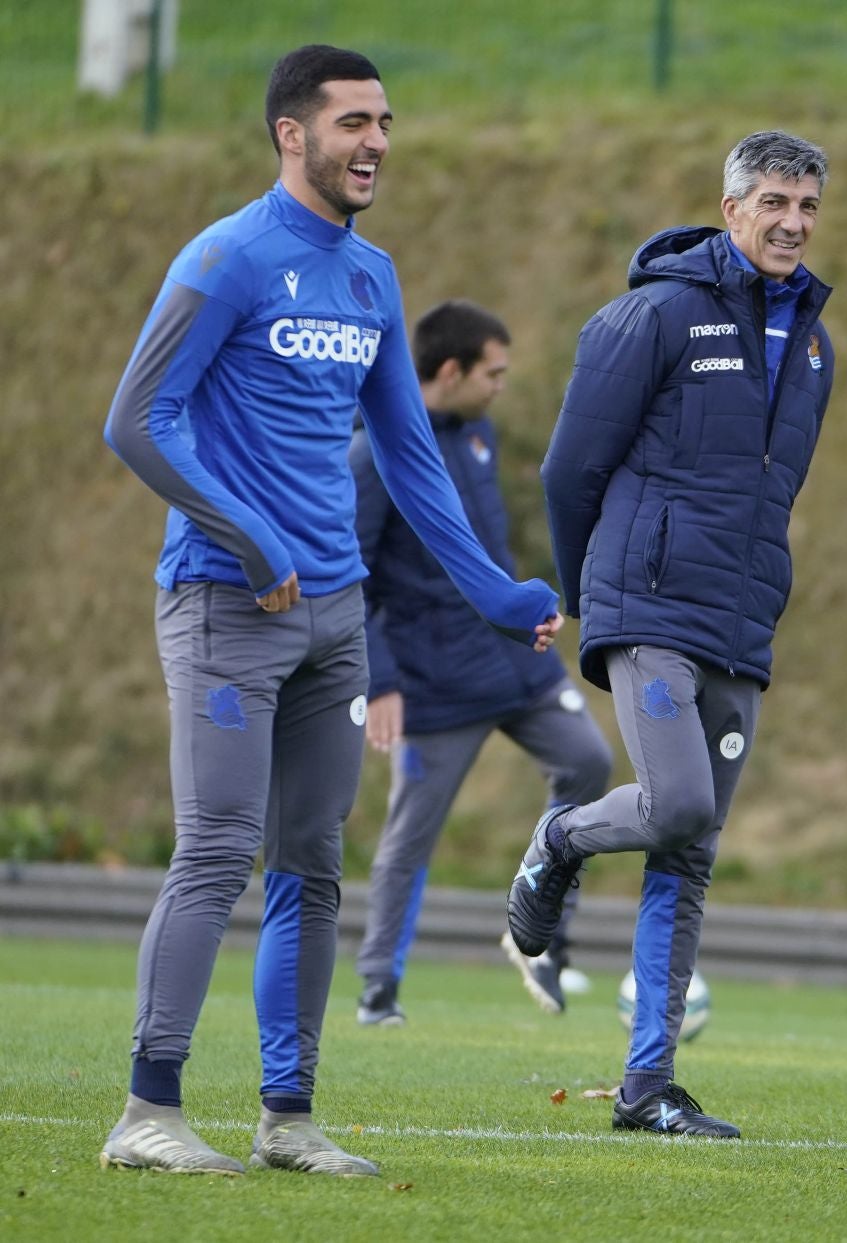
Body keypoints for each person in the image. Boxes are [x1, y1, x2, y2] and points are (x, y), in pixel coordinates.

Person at [100, 45, 562, 1179]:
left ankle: (288, 1116)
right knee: (216, 850)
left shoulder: (372, 277)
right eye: (354, 122)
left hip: (335, 621)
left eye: (386, 121)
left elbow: (412, 457)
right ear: (290, 135)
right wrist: (249, 539)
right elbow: (138, 421)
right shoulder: (228, 256)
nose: (378, 143)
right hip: (225, 602)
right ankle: (147, 1111)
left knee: (311, 862)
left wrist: (496, 594)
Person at [506, 131, 833, 1138]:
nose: (792, 221)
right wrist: (589, 592)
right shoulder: (652, 316)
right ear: (730, 208)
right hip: (645, 606)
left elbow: (774, 491)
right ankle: (557, 843)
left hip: (740, 621)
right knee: (678, 801)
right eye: (773, 201)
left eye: (808, 206)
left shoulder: (818, 344)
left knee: (688, 851)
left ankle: (647, 1090)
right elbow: (569, 471)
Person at [351, 300, 614, 1024]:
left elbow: (488, 551)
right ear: (449, 371)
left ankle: (542, 930)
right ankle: (379, 990)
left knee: (590, 761)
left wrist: (528, 608)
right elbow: (355, 575)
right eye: (492, 373)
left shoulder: (479, 437)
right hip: (434, 682)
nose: (502, 384)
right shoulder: (375, 453)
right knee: (411, 835)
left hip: (519, 668)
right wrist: (382, 681)